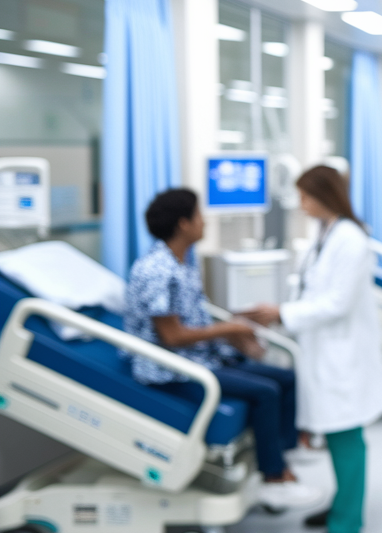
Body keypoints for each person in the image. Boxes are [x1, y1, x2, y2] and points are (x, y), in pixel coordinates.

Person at [124, 189, 318, 510]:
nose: (206, 223)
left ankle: (283, 458)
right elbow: (171, 337)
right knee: (266, 392)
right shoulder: (157, 270)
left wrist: (235, 328)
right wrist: (230, 329)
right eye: (200, 216)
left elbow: (193, 318)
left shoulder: (183, 262)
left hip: (201, 358)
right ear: (184, 224)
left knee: (286, 377)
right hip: (170, 369)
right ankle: (274, 478)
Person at [244, 166, 382, 533]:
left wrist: (281, 313)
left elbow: (336, 304)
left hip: (342, 355)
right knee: (337, 435)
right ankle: (341, 506)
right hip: (323, 352)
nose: (301, 205)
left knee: (346, 438)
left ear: (324, 195)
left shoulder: (351, 240)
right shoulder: (325, 234)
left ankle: (345, 529)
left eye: (305, 197)